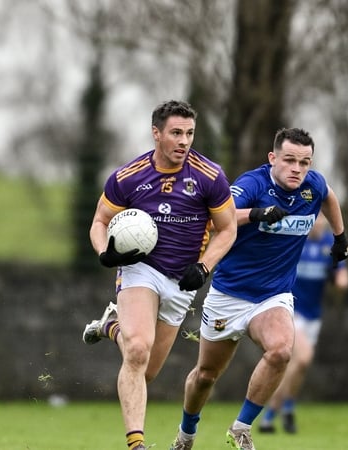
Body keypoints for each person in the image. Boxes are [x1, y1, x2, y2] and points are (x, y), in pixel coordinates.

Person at [169, 127, 348, 450]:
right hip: (229, 294)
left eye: (304, 162)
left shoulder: (313, 185)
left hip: (273, 295)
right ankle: (186, 435)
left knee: (281, 350)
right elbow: (218, 217)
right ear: (273, 158)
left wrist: (340, 237)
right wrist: (256, 214)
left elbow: (329, 197)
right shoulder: (253, 184)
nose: (297, 169)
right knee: (206, 376)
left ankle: (241, 428)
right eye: (289, 160)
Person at [81, 99, 237, 450]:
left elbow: (228, 230)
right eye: (176, 133)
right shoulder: (128, 177)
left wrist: (204, 267)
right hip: (141, 270)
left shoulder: (209, 176)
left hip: (183, 280)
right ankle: (136, 444)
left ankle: (111, 327)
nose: (184, 141)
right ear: (156, 133)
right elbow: (100, 221)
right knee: (137, 351)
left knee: (146, 371)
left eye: (190, 134)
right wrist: (104, 252)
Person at [258, 214, 348, 434]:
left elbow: (342, 275)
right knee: (304, 357)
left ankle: (283, 410)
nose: (318, 223)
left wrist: (341, 281)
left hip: (313, 315)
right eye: (315, 218)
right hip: (291, 310)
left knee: (298, 366)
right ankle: (272, 413)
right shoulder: (295, 240)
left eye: (322, 219)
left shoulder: (330, 245)